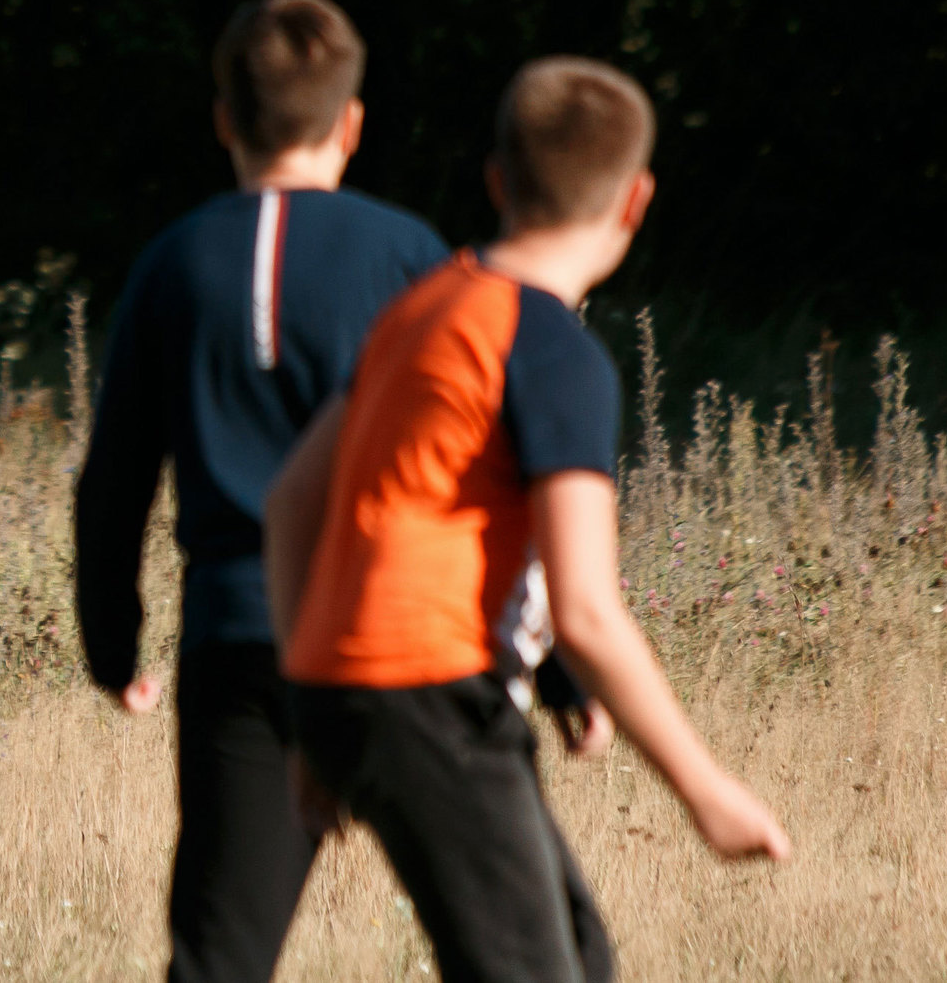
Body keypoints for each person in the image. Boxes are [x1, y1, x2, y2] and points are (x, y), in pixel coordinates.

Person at [268, 57, 790, 983]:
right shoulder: (552, 350)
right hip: (428, 688)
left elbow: (292, 503)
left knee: (579, 959)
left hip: (368, 686)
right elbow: (586, 610)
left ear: (499, 181)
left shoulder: (422, 306)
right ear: (636, 199)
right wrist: (706, 792)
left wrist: (313, 700)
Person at [74, 0, 448, 983]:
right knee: (526, 945)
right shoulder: (411, 259)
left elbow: (113, 481)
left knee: (218, 959)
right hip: (399, 645)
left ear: (223, 120)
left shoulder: (170, 264)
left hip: (240, 642)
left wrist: (112, 646)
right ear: (353, 123)